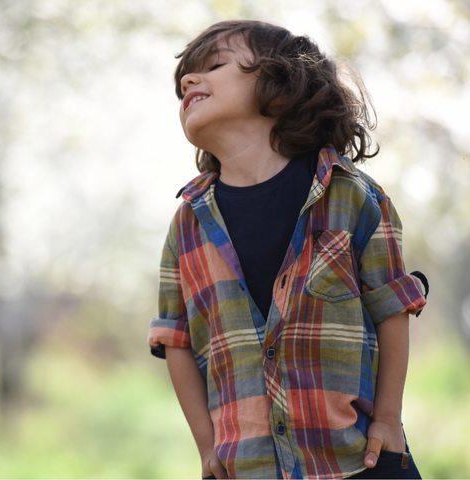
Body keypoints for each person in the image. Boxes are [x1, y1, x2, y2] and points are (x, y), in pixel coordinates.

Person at [148, 20, 429, 480]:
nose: (187, 81)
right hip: (249, 467)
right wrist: (206, 447)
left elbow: (392, 305)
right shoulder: (186, 227)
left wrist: (388, 419)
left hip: (358, 462)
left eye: (214, 65)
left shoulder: (352, 195)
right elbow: (174, 340)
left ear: (280, 89)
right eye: (184, 81)